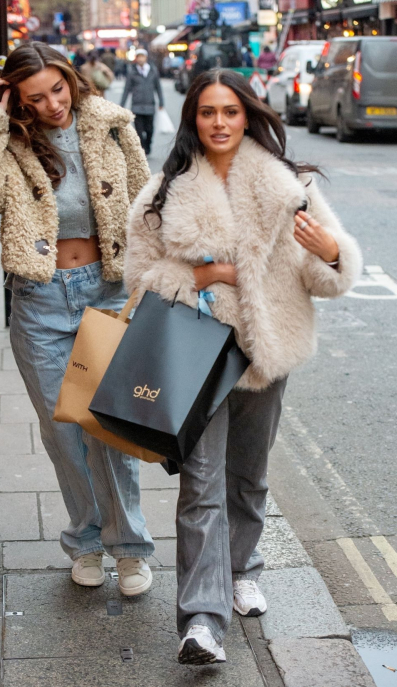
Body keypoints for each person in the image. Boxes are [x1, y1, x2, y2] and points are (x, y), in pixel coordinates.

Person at [125, 69, 362, 664]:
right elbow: (137, 287)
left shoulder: (291, 186)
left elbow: (324, 275)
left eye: (230, 111)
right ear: (193, 120)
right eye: (208, 112)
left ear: (248, 114)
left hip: (267, 353)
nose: (220, 123)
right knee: (200, 486)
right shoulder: (163, 193)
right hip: (195, 357)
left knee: (249, 476)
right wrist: (203, 275)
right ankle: (202, 620)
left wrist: (332, 253)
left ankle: (242, 568)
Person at [0, 42, 155, 595]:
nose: (53, 105)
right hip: (40, 302)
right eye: (35, 98)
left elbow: (145, 202)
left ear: (72, 78)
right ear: (15, 97)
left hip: (105, 294)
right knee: (64, 432)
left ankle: (130, 549)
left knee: (108, 429)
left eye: (58, 89)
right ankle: (87, 540)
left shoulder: (111, 127)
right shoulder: (11, 138)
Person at [121, 48, 164, 156]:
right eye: (138, 56)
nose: (140, 59)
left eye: (142, 56)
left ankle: (148, 144)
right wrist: (121, 105)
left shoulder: (153, 71)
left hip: (150, 106)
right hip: (137, 106)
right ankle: (143, 147)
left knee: (150, 129)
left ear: (146, 58)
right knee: (138, 131)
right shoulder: (132, 72)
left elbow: (158, 88)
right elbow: (127, 90)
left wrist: (161, 102)